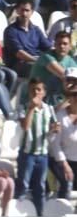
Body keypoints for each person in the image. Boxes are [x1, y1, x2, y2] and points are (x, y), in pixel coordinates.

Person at [16, 78, 59, 216]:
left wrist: (55, 129)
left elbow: (52, 130)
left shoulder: (49, 109)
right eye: (33, 89)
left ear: (44, 93)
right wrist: (31, 109)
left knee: (40, 187)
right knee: (23, 185)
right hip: (27, 153)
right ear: (29, 91)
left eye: (38, 89)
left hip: (43, 154)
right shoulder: (23, 107)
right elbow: (26, 126)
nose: (35, 92)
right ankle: (16, 215)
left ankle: (39, 215)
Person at [3, 0, 52, 77]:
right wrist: (38, 61)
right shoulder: (10, 31)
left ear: (32, 12)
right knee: (42, 68)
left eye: (27, 10)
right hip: (19, 64)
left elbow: (48, 47)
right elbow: (20, 54)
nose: (24, 13)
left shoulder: (36, 30)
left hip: (36, 60)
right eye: (22, 10)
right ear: (17, 11)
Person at [30, 30, 77, 106]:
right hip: (37, 97)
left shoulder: (70, 61)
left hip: (56, 99)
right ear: (54, 45)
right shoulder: (46, 57)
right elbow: (63, 75)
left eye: (65, 44)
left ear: (70, 46)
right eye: (59, 44)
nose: (62, 46)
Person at [49, 69, 77, 197]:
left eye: (74, 81)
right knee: (66, 186)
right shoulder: (60, 114)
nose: (71, 83)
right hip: (63, 160)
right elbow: (55, 143)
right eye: (68, 80)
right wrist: (65, 165)